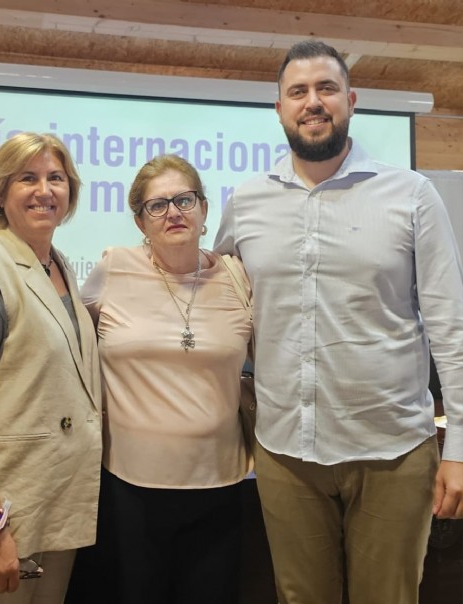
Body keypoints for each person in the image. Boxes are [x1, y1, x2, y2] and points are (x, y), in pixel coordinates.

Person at [214, 39, 463, 604]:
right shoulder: (246, 202)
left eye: (326, 88)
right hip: (284, 452)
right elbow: (216, 292)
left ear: (351, 100)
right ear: (278, 108)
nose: (313, 101)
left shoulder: (412, 195)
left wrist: (460, 449)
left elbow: (452, 328)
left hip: (393, 451)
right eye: (297, 91)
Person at [68, 154, 252, 603]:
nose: (173, 212)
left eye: (184, 200)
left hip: (221, 488)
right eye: (157, 205)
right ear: (140, 220)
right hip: (129, 491)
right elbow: (65, 341)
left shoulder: (237, 276)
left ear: (204, 210)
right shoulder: (114, 268)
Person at [0, 132, 102, 604]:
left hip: (51, 510)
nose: (44, 190)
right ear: (1, 194)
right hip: (0, 522)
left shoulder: (59, 267)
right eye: (28, 178)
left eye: (56, 178)